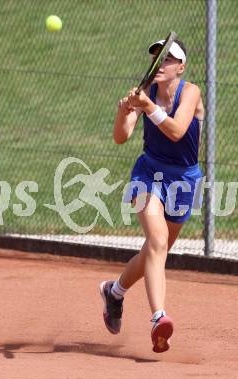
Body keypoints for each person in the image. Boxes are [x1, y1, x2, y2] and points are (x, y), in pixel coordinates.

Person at [99, 37, 204, 353]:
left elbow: (176, 131)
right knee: (157, 242)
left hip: (185, 179)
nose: (162, 63)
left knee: (154, 253)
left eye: (169, 58)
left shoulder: (191, 92)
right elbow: (121, 137)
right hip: (149, 174)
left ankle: (114, 292)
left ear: (181, 67)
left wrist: (148, 107)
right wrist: (124, 111)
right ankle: (159, 318)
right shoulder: (143, 93)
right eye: (158, 57)